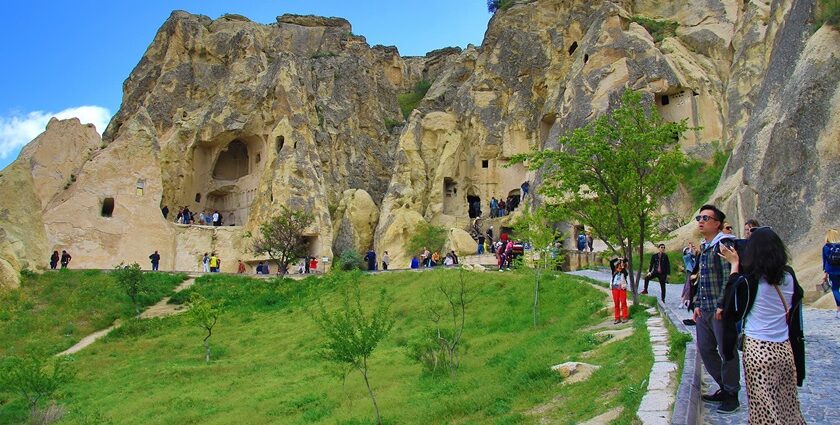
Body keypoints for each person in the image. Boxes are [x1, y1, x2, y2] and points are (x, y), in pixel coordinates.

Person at [719, 227, 806, 424]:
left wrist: (734, 265)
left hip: (759, 350)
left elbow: (730, 307)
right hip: (785, 349)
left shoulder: (751, 281)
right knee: (788, 408)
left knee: (764, 411)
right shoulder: (789, 276)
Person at [691, 204, 740, 414]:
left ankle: (732, 394)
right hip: (705, 309)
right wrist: (697, 304)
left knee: (726, 350)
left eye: (706, 218)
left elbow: (727, 279)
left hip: (720, 310)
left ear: (717, 223)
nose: (701, 221)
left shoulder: (723, 245)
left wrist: (722, 303)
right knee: (705, 348)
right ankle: (723, 386)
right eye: (699, 218)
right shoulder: (705, 247)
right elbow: (702, 280)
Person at [822, 229, 840, 319]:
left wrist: (825, 274)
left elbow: (825, 262)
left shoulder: (826, 247)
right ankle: (838, 310)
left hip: (832, 271)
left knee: (835, 289)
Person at [610, 258, 629, 324]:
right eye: (619, 264)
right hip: (615, 288)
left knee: (623, 302)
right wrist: (617, 259)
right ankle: (617, 318)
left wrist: (623, 265)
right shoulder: (614, 271)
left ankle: (624, 317)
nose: (620, 266)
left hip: (622, 288)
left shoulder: (624, 271)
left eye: (622, 264)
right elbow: (611, 262)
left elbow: (626, 273)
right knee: (616, 303)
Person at [681, 242, 699, 308]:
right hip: (689, 272)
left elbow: (694, 255)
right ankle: (683, 302)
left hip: (693, 273)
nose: (688, 250)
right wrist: (690, 246)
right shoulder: (685, 257)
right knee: (688, 286)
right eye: (687, 250)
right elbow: (689, 254)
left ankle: (688, 302)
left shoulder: (692, 258)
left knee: (692, 287)